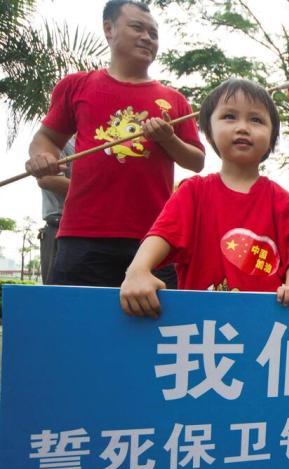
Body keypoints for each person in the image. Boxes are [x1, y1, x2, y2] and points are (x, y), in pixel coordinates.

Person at [25, 0, 205, 288]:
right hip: (83, 233)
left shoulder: (174, 100)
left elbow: (196, 161)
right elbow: (46, 139)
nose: (147, 38)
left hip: (155, 238)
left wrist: (168, 139)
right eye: (137, 28)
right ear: (109, 29)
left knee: (159, 317)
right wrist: (43, 156)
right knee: (76, 314)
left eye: (153, 33)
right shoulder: (77, 86)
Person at [120, 78, 289, 316]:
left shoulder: (282, 200)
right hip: (200, 324)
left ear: (272, 138)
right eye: (229, 116)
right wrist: (138, 270)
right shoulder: (193, 192)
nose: (243, 127)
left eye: (256, 120)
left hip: (265, 323)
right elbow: (163, 234)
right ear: (208, 132)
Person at [37, 138, 74, 284]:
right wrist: (97, 190)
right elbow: (47, 179)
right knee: (57, 289)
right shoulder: (58, 141)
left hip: (94, 226)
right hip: (59, 226)